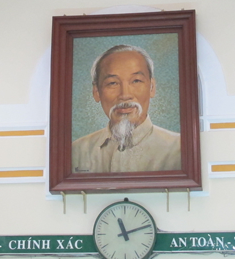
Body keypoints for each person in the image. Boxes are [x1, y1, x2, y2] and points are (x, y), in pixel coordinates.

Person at [72, 44, 181, 173]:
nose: (125, 95)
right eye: (113, 83)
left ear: (152, 87)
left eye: (136, 81)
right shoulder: (77, 151)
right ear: (96, 91)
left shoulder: (179, 149)